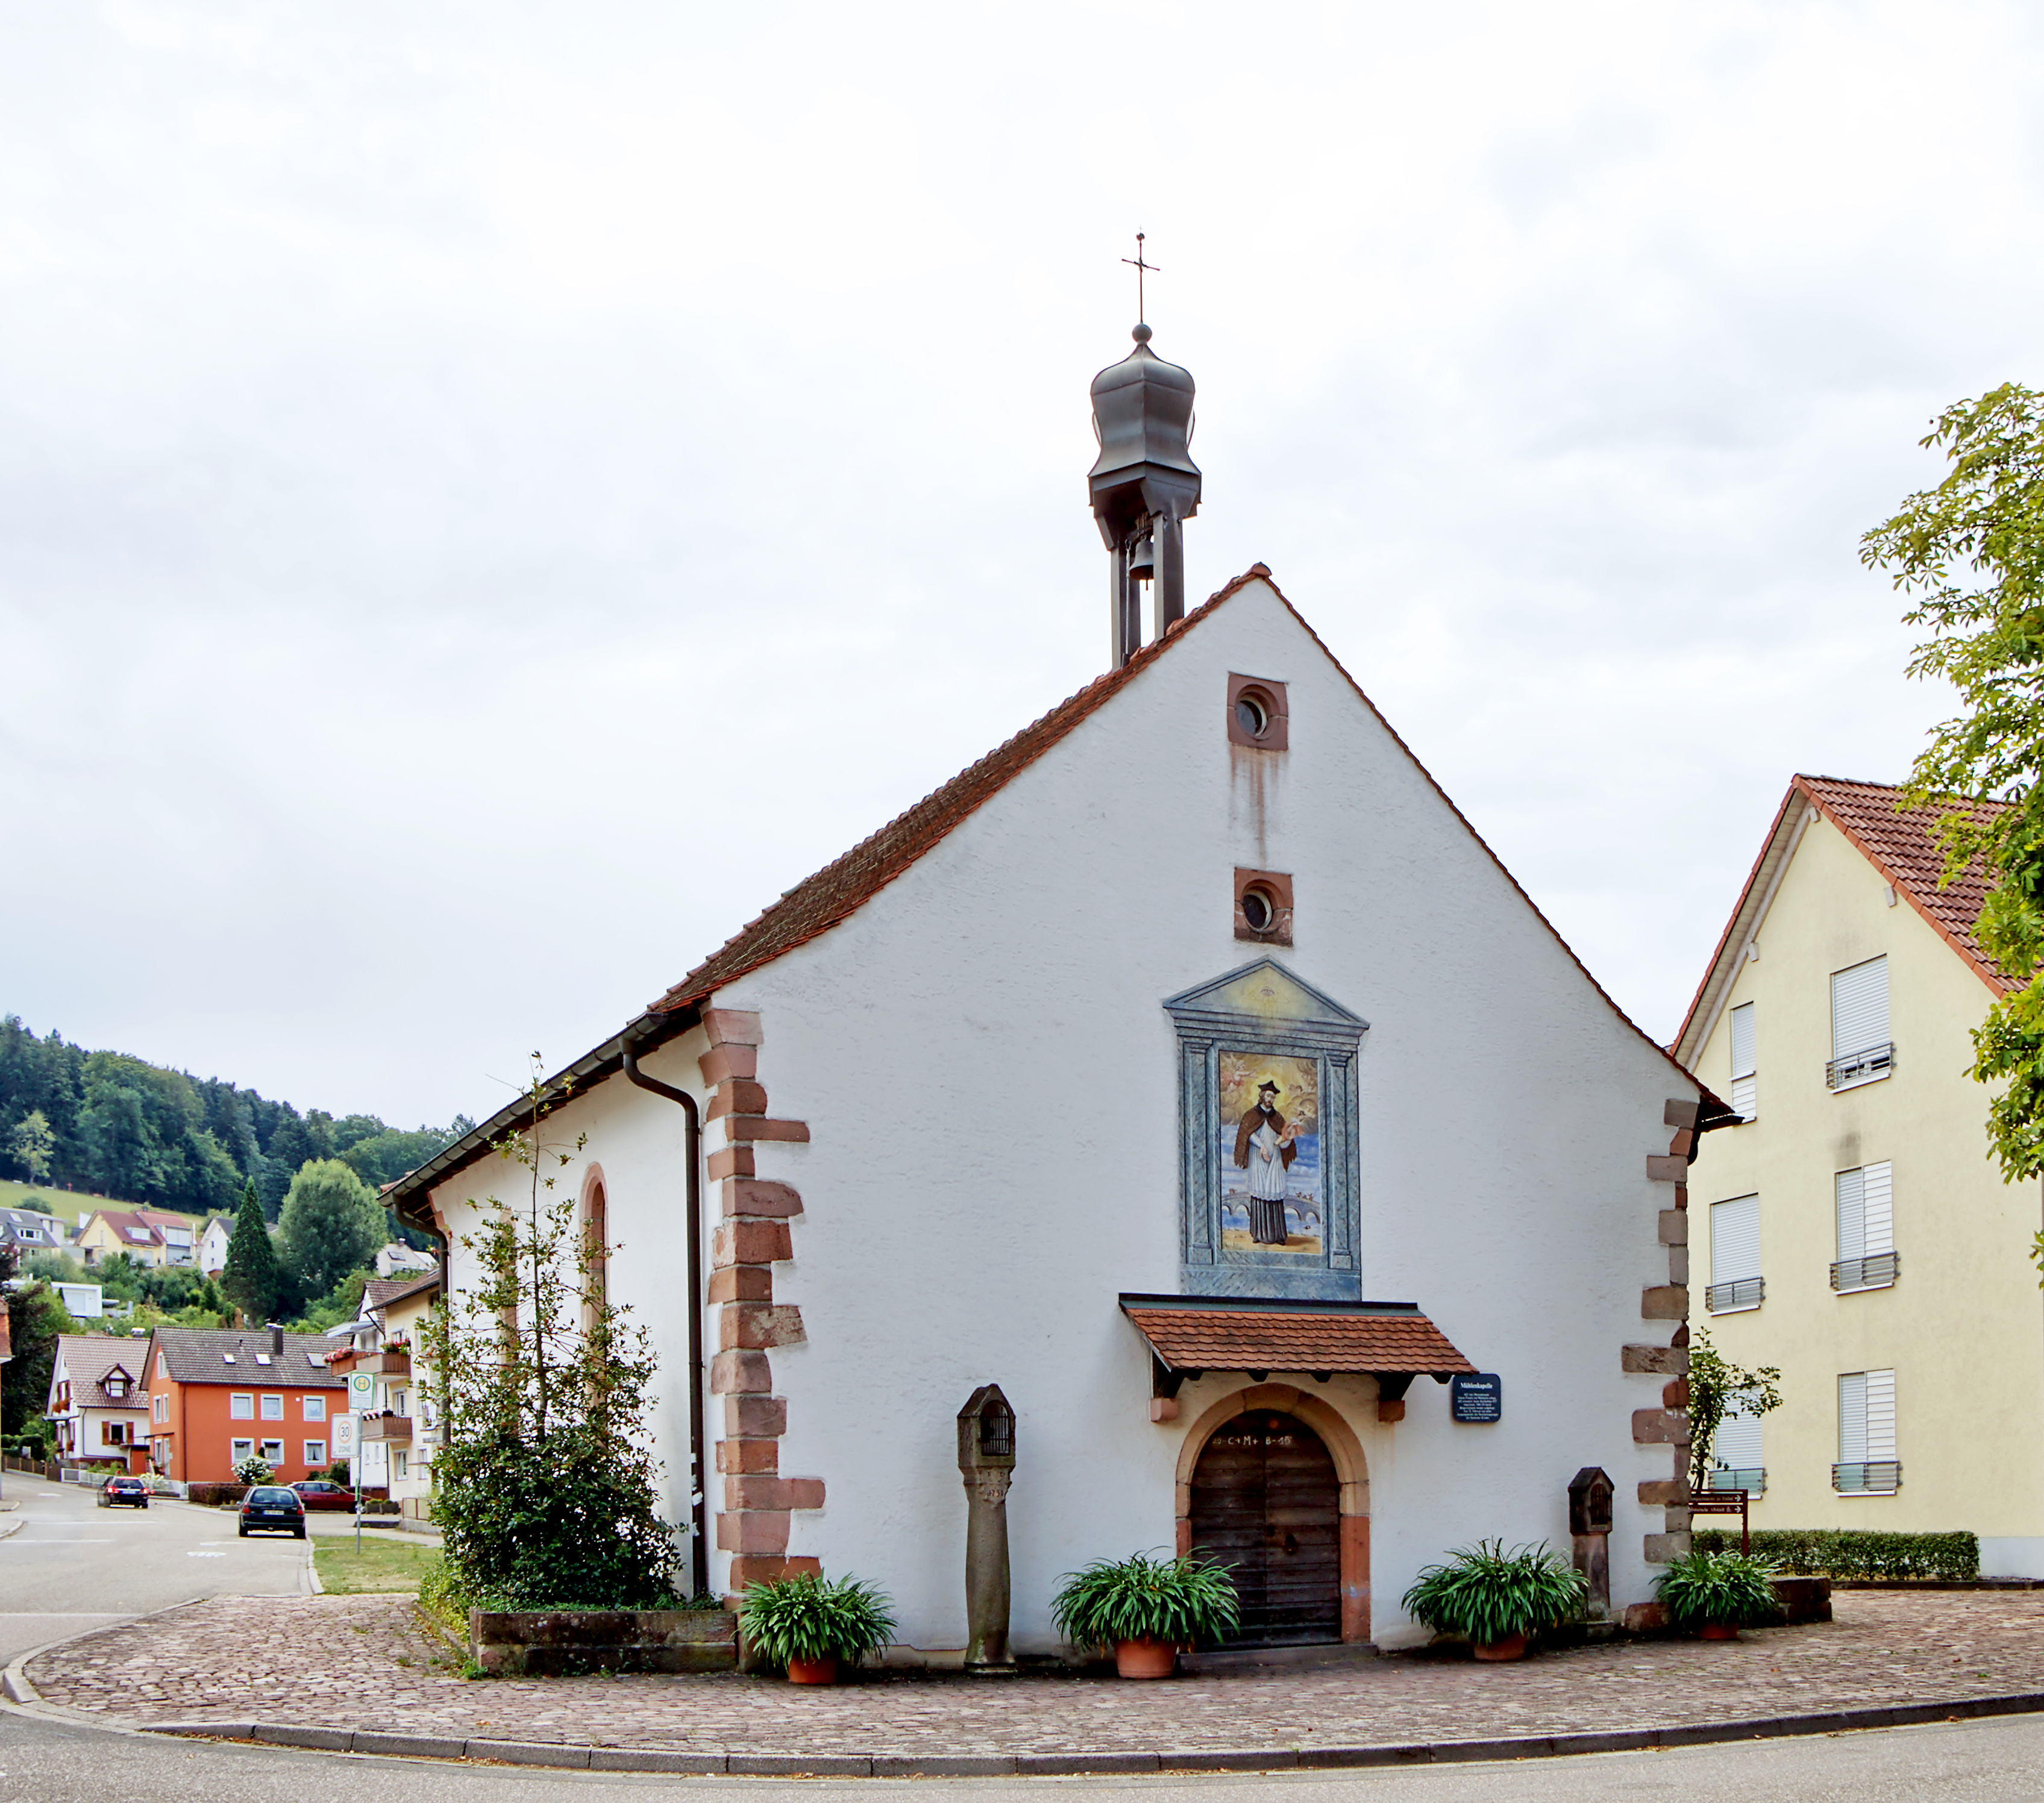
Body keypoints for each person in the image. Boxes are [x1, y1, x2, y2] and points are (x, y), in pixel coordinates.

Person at [1232, 1079, 1299, 1246]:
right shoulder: (1251, 1115)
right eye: (1268, 1096)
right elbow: (1248, 1134)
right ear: (1262, 1096)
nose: (1270, 1099)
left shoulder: (1278, 1117)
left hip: (1274, 1160)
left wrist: (1288, 1138)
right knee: (1260, 1192)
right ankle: (1258, 1234)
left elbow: (1283, 1141)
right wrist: (1261, 1146)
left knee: (1274, 1193)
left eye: (1273, 1097)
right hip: (1258, 1159)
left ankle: (1278, 1235)